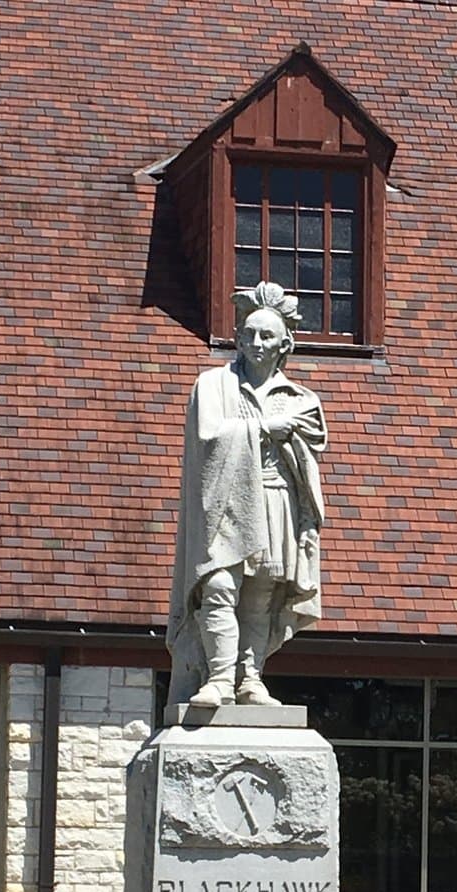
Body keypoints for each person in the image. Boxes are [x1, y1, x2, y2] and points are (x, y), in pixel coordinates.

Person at [167, 282, 326, 707]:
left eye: (267, 336)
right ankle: (218, 678)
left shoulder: (300, 398)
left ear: (284, 344)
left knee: (262, 593)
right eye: (248, 333)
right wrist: (261, 430)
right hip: (225, 500)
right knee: (218, 585)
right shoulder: (213, 386)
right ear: (237, 337)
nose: (256, 342)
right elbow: (207, 438)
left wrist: (309, 522)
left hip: (275, 499)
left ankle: (249, 679)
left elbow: (309, 458)